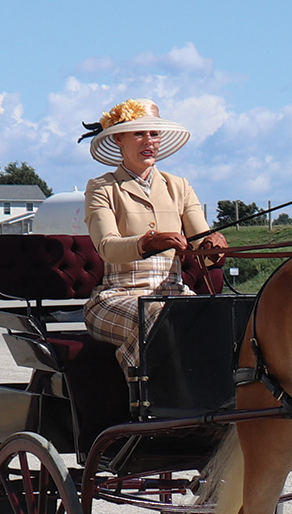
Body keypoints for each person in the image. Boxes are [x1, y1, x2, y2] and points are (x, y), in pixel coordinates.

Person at [79, 98, 227, 367]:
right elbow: (107, 247)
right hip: (117, 297)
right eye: (139, 133)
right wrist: (148, 243)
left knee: (219, 317)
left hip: (174, 293)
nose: (149, 141)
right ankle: (147, 401)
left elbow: (203, 251)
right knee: (159, 315)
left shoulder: (179, 186)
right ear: (118, 140)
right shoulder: (102, 188)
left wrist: (214, 247)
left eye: (154, 134)